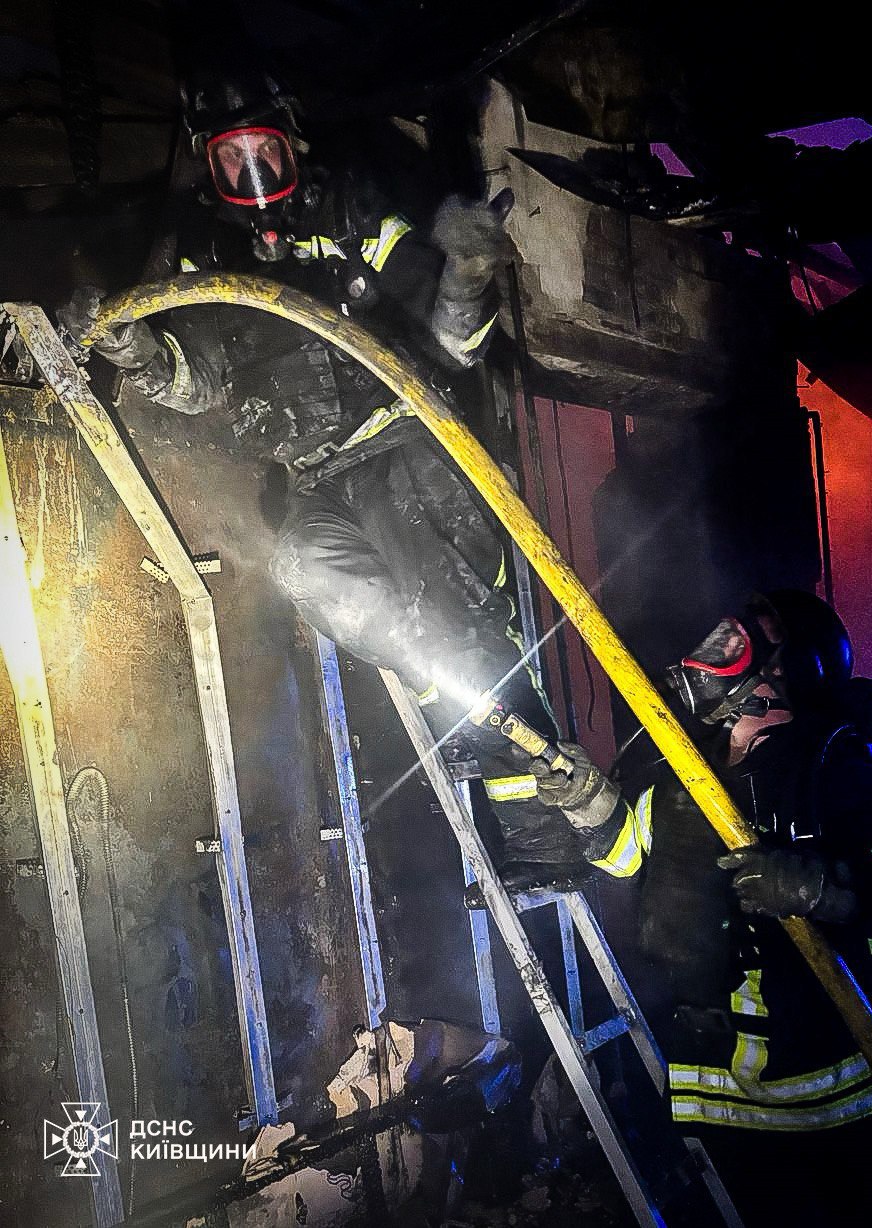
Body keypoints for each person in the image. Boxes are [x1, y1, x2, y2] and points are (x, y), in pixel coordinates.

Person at [58, 67, 585, 885]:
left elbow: (449, 346)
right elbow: (199, 383)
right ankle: (447, 692)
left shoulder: (351, 213)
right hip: (318, 474)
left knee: (457, 618)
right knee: (307, 569)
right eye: (231, 159)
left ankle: (545, 840)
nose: (253, 175)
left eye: (264, 151)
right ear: (207, 162)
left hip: (411, 440)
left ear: (292, 142)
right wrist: (135, 350)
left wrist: (467, 275)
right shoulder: (203, 255)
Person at [529, 590, 872, 1225]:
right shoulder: (687, 770)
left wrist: (824, 889)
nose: (709, 655)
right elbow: (632, 858)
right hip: (718, 1098)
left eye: (734, 644)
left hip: (835, 1094)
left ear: (785, 670)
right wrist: (588, 804)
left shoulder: (832, 765)